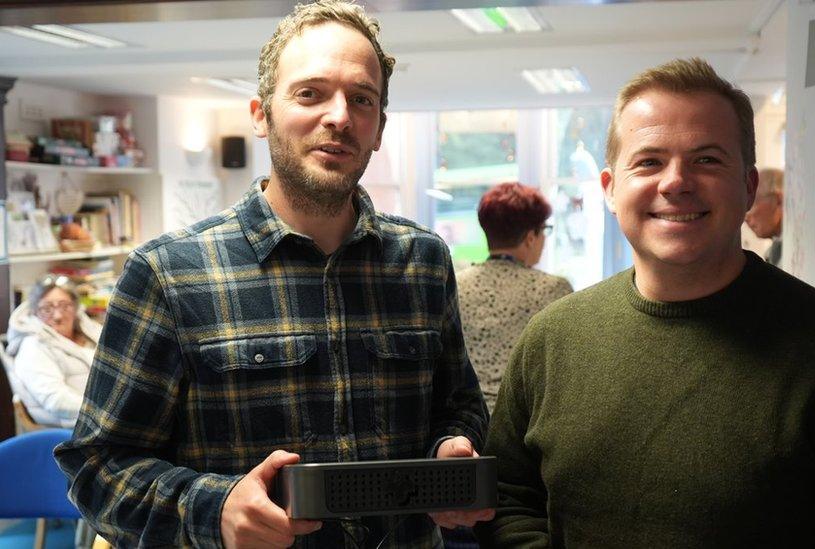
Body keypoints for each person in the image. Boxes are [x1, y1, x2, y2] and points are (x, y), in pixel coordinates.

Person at [475, 58, 815, 547]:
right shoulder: (552, 339)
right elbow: (511, 501)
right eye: (649, 161)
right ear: (610, 188)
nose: (675, 182)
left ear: (749, 186)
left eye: (707, 159)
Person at [54, 1, 491, 547]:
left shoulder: (423, 261)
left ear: (379, 127)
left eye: (362, 99)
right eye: (310, 93)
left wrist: (451, 449)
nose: (339, 116)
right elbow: (96, 467)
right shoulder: (169, 274)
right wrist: (213, 511)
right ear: (261, 115)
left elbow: (460, 406)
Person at [457, 182, 573, 411]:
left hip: (464, 424)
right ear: (531, 237)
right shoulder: (552, 289)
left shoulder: (455, 284)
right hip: (523, 425)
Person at [6, 275, 101, 428]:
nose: (58, 316)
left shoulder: (91, 332)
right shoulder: (33, 346)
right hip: (75, 428)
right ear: (35, 311)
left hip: (104, 420)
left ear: (76, 307)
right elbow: (56, 401)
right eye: (47, 308)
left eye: (65, 306)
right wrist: (104, 412)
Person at [744, 167, 783, 267]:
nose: (745, 218)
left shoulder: (799, 251)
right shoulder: (773, 254)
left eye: (751, 204)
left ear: (778, 200)